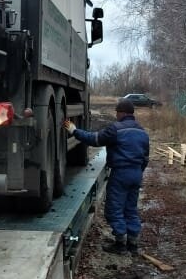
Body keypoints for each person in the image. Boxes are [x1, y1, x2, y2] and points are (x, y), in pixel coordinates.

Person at [64, 98, 150, 254]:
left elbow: (94, 139)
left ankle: (120, 244)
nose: (116, 115)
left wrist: (74, 131)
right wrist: (137, 171)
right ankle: (133, 244)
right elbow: (145, 158)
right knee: (130, 208)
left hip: (121, 174)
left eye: (117, 112)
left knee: (114, 208)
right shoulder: (143, 132)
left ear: (122, 113)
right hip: (136, 174)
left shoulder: (116, 130)